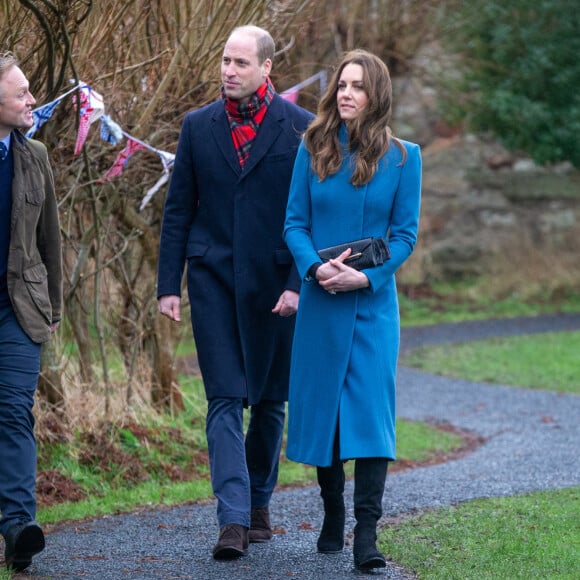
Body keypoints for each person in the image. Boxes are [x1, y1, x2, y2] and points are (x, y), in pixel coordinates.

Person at [157, 25, 313, 560]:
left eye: (241, 62)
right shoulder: (198, 126)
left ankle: (260, 501)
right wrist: (167, 286)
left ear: (267, 68)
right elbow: (178, 209)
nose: (229, 70)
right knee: (224, 397)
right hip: (214, 281)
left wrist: (298, 284)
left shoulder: (301, 129)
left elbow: (310, 216)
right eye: (225, 60)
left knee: (270, 400)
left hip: (276, 285)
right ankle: (232, 518)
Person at [283, 49, 422, 570]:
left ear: (376, 95)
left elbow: (405, 235)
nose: (346, 93)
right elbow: (294, 223)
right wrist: (316, 270)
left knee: (370, 418)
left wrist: (366, 275)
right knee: (327, 417)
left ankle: (367, 535)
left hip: (372, 308)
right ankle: (333, 514)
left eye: (358, 86)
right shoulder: (312, 148)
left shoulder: (405, 158)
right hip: (321, 304)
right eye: (342, 84)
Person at [0, 52, 62, 571]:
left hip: (20, 308)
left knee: (15, 410)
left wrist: (54, 308)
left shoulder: (34, 154)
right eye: (22, 93)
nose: (32, 100)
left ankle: (19, 527)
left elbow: (51, 241)